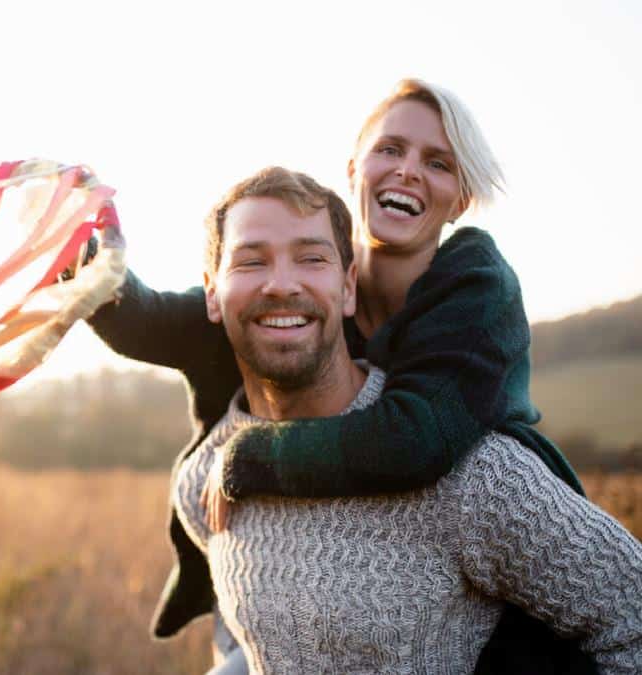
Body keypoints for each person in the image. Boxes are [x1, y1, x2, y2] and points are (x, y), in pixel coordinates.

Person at [88, 79, 596, 672]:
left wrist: (253, 456)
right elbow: (157, 323)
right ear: (354, 167)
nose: (408, 171)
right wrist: (82, 265)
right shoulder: (310, 273)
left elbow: (415, 437)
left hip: (479, 564)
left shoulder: (477, 290)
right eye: (391, 149)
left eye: (437, 162)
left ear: (459, 200)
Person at [172, 164, 642, 673]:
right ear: (212, 294)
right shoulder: (202, 483)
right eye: (250, 261)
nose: (281, 284)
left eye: (312, 258)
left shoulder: (469, 474)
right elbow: (240, 633)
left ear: (348, 286)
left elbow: (631, 616)